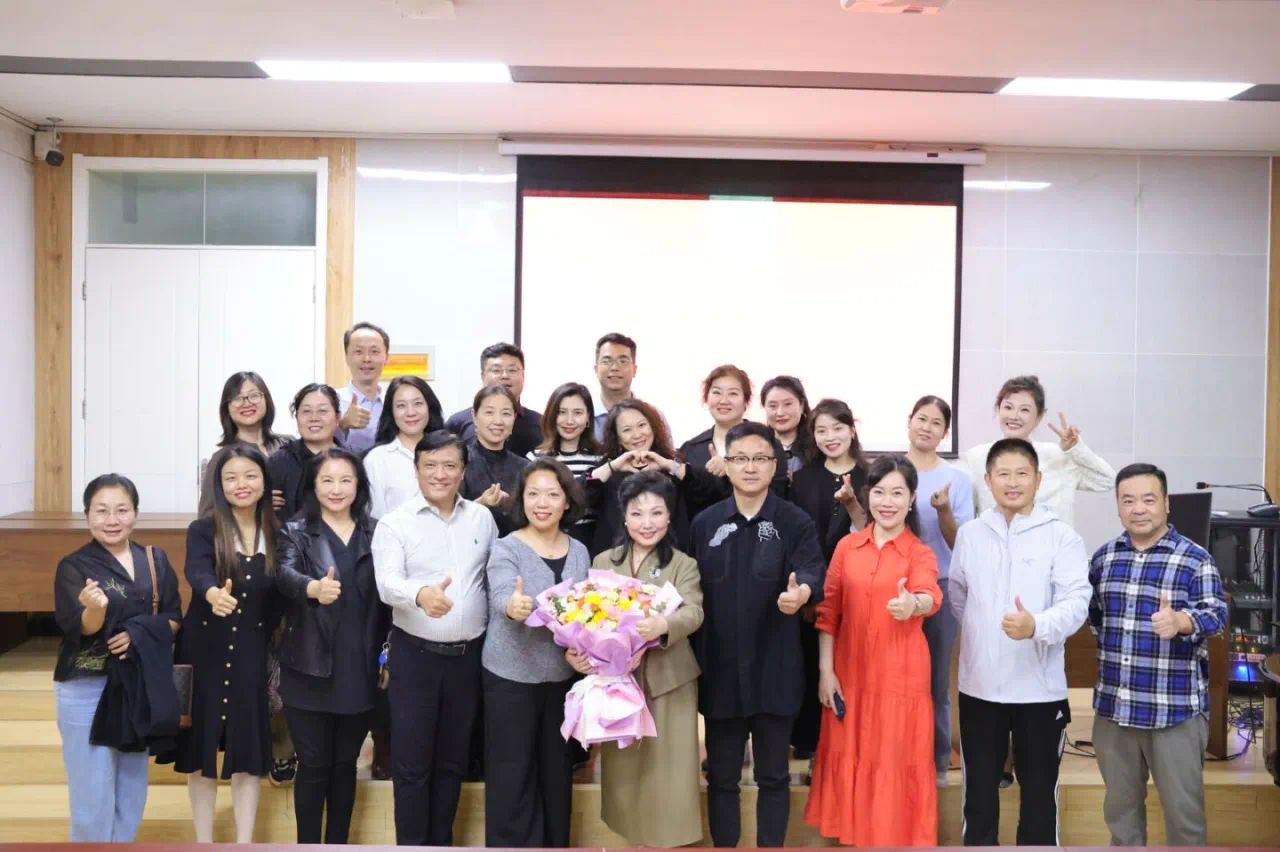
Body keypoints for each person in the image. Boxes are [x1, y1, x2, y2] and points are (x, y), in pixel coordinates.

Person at [949, 438, 1091, 846]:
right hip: (980, 689)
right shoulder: (971, 534)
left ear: (1038, 479)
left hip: (1039, 691)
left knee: (1039, 797)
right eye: (1003, 474)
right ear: (988, 480)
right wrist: (983, 634)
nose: (1013, 482)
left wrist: (1037, 626)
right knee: (978, 797)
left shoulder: (1062, 537)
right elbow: (959, 595)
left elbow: (1077, 603)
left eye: (1022, 473)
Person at [690, 422, 825, 848]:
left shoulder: (795, 521)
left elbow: (812, 570)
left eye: (761, 459)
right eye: (741, 459)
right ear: (726, 465)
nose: (751, 467)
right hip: (720, 670)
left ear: (775, 465)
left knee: (773, 776)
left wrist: (801, 594)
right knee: (722, 778)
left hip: (775, 669)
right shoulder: (704, 524)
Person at [804, 455, 942, 846]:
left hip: (900, 677)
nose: (887, 502)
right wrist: (826, 672)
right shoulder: (847, 547)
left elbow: (930, 594)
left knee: (893, 760)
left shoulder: (919, 553)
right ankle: (857, 837)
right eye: (879, 492)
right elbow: (828, 612)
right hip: (849, 672)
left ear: (911, 500)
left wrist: (913, 605)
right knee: (852, 753)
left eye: (898, 493)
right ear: (867, 496)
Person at [1089, 463, 1228, 847]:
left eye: (1148, 500)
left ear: (1166, 503)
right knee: (1121, 821)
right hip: (1115, 712)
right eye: (1128, 500)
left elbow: (1217, 615)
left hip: (1174, 712)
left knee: (1185, 823)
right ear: (1118, 506)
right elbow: (1095, 619)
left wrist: (1181, 621)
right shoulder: (1104, 558)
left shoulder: (1194, 558)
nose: (1138, 509)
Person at [372, 431, 498, 845]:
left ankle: (442, 845)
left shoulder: (481, 519)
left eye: (449, 465)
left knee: (452, 763)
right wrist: (420, 594)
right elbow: (386, 583)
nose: (439, 474)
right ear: (416, 470)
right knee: (412, 766)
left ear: (463, 471)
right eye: (430, 465)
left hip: (468, 659)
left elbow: (490, 579)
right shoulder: (395, 523)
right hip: (415, 658)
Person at [53, 474, 182, 842]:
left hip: (137, 685)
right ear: (87, 515)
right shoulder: (74, 566)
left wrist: (139, 634)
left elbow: (174, 618)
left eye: (121, 510)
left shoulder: (154, 560)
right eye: (101, 511)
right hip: (87, 689)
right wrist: (94, 609)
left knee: (131, 789)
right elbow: (82, 628)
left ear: (135, 513)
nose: (112, 520)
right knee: (91, 796)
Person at [275, 448, 385, 844]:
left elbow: (389, 602)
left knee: (344, 765)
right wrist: (311, 588)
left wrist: (387, 657)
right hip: (310, 669)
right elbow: (283, 573)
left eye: (345, 480)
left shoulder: (377, 531)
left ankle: (338, 844)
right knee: (314, 764)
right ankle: (308, 846)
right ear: (313, 485)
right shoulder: (294, 530)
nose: (336, 489)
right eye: (327, 480)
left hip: (361, 668)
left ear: (359, 486)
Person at [588, 471, 704, 847]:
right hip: (619, 682)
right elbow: (588, 616)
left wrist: (664, 624)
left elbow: (694, 611)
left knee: (669, 772)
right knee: (624, 770)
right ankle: (630, 839)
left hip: (670, 680)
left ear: (669, 516)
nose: (647, 523)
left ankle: (668, 841)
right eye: (637, 513)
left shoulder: (683, 564)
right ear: (624, 517)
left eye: (656, 512)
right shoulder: (604, 561)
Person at [173, 444, 283, 843]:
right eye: (231, 477)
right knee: (200, 753)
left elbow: (284, 592)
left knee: (247, 754)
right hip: (203, 651)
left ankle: (244, 843)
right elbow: (196, 570)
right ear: (218, 485)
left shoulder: (278, 533)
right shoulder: (203, 529)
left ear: (264, 481)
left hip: (253, 652)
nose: (242, 484)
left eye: (250, 475)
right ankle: (203, 843)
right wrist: (211, 593)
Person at [482, 459, 591, 848]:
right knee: (511, 775)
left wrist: (580, 652)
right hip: (510, 677)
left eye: (552, 494)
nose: (542, 503)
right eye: (533, 494)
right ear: (521, 500)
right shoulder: (506, 547)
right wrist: (513, 607)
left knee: (557, 774)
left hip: (561, 681)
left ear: (567, 501)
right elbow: (501, 595)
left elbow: (583, 616)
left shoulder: (580, 551)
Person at [787, 398, 870, 759]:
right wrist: (811, 591)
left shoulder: (871, 476)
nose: (830, 436)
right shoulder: (803, 479)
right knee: (811, 666)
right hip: (814, 588)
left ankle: (853, 743)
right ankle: (809, 744)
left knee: (855, 667)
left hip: (861, 588)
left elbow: (874, 534)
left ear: (852, 430)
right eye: (821, 430)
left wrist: (852, 502)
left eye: (837, 428)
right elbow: (796, 540)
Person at [903, 395, 974, 787]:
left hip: (940, 587)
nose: (926, 427)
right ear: (909, 421)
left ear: (945, 433)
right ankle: (899, 757)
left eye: (935, 423)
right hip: (892, 586)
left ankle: (937, 762)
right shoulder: (890, 471)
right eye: (921, 419)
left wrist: (944, 509)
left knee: (935, 681)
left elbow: (961, 543)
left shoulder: (957, 480)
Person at [962, 375, 1115, 528]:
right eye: (1008, 407)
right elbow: (967, 515)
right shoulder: (977, 458)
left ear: (1039, 417)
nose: (1014, 416)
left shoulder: (1059, 455)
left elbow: (1107, 481)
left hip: (1054, 542)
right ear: (998, 409)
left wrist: (1075, 449)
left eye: (1024, 410)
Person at [590, 398, 718, 556]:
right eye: (627, 430)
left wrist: (668, 464)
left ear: (653, 426)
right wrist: (612, 466)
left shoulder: (673, 466)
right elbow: (581, 495)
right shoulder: (608, 470)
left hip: (671, 561)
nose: (637, 435)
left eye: (642, 425)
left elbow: (710, 492)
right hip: (617, 562)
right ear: (617, 437)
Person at [679, 364, 788, 520]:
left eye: (733, 394)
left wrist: (731, 471)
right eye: (716, 392)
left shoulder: (768, 444)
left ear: (746, 401)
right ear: (707, 398)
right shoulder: (690, 449)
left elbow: (778, 498)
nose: (724, 400)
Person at [199, 371, 286, 517]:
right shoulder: (222, 457)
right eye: (237, 398)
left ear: (266, 400)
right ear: (227, 408)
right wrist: (255, 506)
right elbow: (206, 516)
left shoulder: (287, 444)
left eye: (254, 395)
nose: (246, 403)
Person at [530, 382, 605, 550]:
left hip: (590, 544)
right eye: (562, 412)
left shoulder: (601, 460)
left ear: (588, 417)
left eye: (577, 413)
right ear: (552, 415)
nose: (569, 421)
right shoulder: (535, 459)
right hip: (544, 542)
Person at [363, 375, 445, 520]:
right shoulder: (377, 459)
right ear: (391, 412)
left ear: (429, 407)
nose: (411, 412)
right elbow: (374, 518)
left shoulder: (448, 452)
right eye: (401, 406)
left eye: (418, 403)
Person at [445, 342, 543, 457]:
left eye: (512, 370)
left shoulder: (541, 423)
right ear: (483, 376)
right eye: (496, 370)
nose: (505, 376)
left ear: (523, 376)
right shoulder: (457, 423)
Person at [460, 385, 532, 536]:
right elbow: (447, 518)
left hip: (515, 547)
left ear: (514, 418)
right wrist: (481, 503)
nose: (498, 421)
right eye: (489, 412)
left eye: (506, 413)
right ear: (474, 416)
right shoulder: (458, 462)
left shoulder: (526, 467)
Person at [269, 383, 343, 522]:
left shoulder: (351, 461)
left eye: (322, 411)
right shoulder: (279, 462)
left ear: (337, 417)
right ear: (296, 417)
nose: (314, 418)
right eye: (306, 411)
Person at [336, 321, 390, 455]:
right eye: (358, 351)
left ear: (386, 357)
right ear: (347, 357)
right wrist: (341, 425)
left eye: (374, 351)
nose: (366, 359)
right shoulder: (332, 401)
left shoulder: (396, 402)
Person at [760, 375, 814, 478]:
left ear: (802, 405)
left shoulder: (817, 446)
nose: (780, 413)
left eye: (787, 404)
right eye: (773, 406)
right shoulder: (757, 445)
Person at [592, 332, 638, 440]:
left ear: (634, 370)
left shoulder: (653, 417)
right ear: (596, 369)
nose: (614, 367)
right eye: (606, 361)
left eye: (623, 361)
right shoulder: (581, 418)